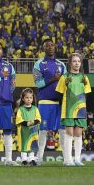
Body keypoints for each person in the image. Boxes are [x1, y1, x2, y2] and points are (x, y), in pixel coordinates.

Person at [33, 37, 66, 165]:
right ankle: (39, 158)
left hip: (59, 103)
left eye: (52, 45)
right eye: (47, 46)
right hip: (45, 102)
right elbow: (38, 83)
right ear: (43, 49)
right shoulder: (39, 64)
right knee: (43, 130)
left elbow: (66, 84)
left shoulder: (61, 64)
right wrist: (54, 79)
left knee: (62, 130)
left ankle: (66, 157)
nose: (50, 47)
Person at [55, 52, 92, 167]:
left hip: (81, 108)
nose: (77, 63)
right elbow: (59, 94)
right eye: (74, 61)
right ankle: (68, 160)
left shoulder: (84, 78)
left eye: (79, 61)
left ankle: (77, 159)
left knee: (78, 134)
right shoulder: (65, 77)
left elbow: (86, 94)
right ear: (70, 63)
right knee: (69, 133)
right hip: (68, 108)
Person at [15, 88, 41, 166]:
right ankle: (24, 159)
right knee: (24, 145)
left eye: (30, 97)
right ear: (23, 99)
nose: (29, 99)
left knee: (32, 144)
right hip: (24, 131)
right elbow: (19, 120)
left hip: (33, 131)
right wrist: (27, 123)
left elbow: (39, 118)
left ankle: (31, 159)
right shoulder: (21, 109)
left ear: (33, 99)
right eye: (27, 97)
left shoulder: (35, 109)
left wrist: (33, 122)